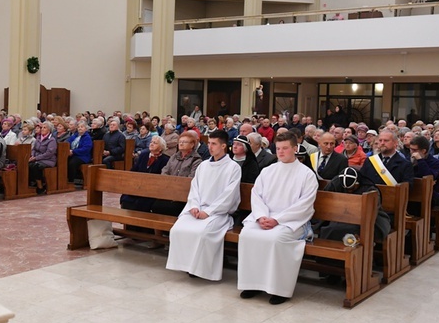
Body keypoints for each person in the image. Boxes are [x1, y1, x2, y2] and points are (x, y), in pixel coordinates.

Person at [237, 131, 319, 305]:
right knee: (247, 234)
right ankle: (253, 284)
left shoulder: (307, 175)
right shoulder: (268, 171)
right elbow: (256, 195)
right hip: (265, 218)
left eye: (285, 148)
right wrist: (261, 216)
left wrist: (277, 220)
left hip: (293, 222)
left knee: (276, 239)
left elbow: (304, 205)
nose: (280, 152)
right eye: (278, 148)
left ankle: (279, 289)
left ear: (295, 149)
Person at [165, 130, 242, 281]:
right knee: (178, 229)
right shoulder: (204, 166)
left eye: (214, 144)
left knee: (203, 233)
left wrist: (209, 211)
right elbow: (195, 188)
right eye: (209, 144)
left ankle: (201, 269)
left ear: (224, 146)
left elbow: (229, 194)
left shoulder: (232, 167)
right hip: (197, 209)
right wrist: (194, 206)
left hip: (218, 213)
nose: (210, 147)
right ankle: (186, 264)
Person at [120, 135, 169, 212]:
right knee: (126, 198)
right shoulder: (144, 155)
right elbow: (134, 170)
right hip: (138, 185)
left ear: (160, 148)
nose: (151, 144)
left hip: (152, 189)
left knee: (143, 203)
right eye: (151, 142)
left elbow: (162, 177)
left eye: (155, 143)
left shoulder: (165, 160)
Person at [29, 121, 57, 194]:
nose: (42, 129)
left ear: (49, 130)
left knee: (35, 166)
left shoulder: (52, 140)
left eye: (45, 128)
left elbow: (49, 153)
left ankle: (40, 186)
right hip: (37, 158)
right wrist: (32, 155)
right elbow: (34, 149)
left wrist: (36, 158)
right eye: (42, 128)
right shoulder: (38, 138)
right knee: (27, 165)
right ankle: (32, 183)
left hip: (48, 160)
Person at [67, 121, 93, 186]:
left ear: (86, 128)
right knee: (63, 161)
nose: (80, 128)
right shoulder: (75, 136)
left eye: (82, 127)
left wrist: (73, 151)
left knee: (72, 163)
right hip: (73, 154)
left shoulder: (87, 137)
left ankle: (71, 181)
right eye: (78, 127)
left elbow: (85, 149)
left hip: (83, 156)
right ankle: (64, 180)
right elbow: (68, 142)